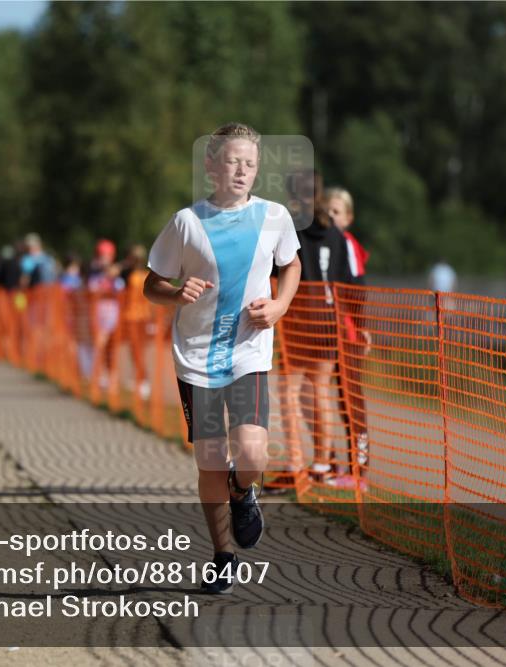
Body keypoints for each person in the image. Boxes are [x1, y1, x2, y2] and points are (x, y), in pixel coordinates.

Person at [144, 122, 302, 593]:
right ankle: (223, 555)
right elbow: (151, 283)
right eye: (232, 161)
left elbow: (290, 264)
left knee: (251, 453)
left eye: (250, 163)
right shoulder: (186, 222)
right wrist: (175, 293)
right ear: (211, 165)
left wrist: (280, 305)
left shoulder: (274, 217)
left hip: (248, 352)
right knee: (211, 460)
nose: (241, 170)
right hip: (196, 357)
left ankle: (242, 489)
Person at [286, 171, 361, 487]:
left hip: (301, 317)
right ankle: (320, 461)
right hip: (329, 318)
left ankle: (295, 462)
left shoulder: (291, 227)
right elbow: (350, 283)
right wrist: (359, 323)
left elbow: (280, 266)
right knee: (321, 390)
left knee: (288, 391)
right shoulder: (337, 236)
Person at [326, 187, 372, 472]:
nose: (331, 217)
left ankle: (360, 462)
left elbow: (358, 289)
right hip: (317, 331)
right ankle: (327, 461)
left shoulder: (347, 243)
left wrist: (361, 326)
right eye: (327, 211)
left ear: (348, 218)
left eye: (336, 212)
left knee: (348, 396)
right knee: (314, 393)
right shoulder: (319, 242)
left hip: (346, 332)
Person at [88, 239, 124, 391]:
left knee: (112, 348)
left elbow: (121, 288)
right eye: (102, 255)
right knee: (100, 346)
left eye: (107, 255)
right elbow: (92, 288)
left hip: (113, 315)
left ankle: (112, 378)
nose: (104, 259)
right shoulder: (95, 276)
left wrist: (112, 277)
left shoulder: (117, 278)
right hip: (99, 315)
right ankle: (100, 376)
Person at [121, 245, 153, 400]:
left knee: (137, 351)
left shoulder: (134, 276)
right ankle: (140, 379)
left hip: (137, 317)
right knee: (136, 351)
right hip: (138, 317)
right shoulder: (142, 275)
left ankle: (144, 380)